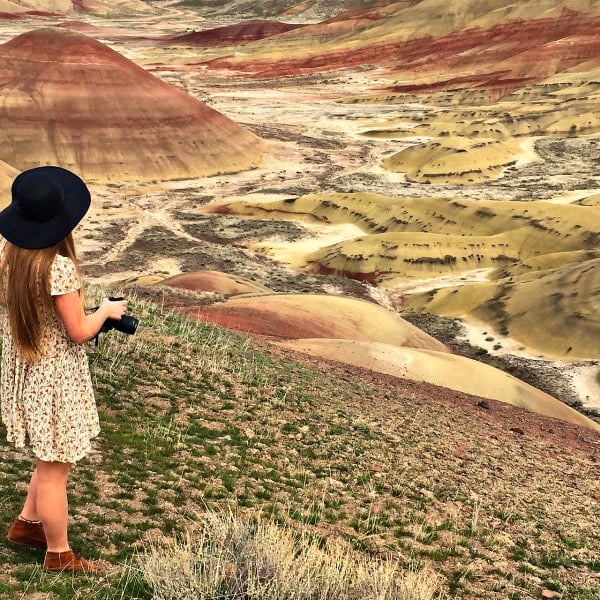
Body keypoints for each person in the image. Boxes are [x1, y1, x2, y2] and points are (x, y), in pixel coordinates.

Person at [0, 166, 127, 573]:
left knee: (46, 458)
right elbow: (78, 332)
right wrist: (105, 311)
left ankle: (27, 524)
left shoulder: (7, 260)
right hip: (54, 378)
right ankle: (59, 554)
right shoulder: (57, 268)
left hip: (25, 371)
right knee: (56, 471)